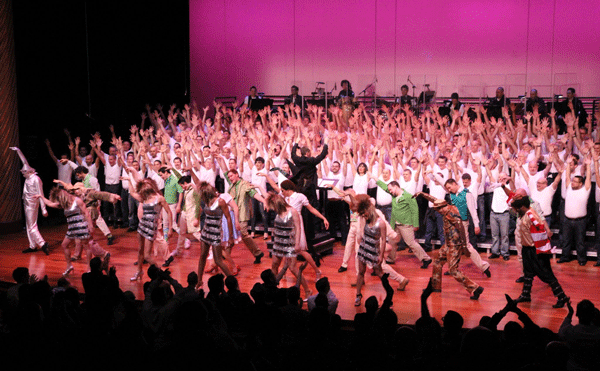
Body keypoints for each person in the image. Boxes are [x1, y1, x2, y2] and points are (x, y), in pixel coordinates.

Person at [414, 192, 484, 300]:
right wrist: (422, 194)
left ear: (442, 208)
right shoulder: (445, 207)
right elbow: (434, 199)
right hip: (448, 244)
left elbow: (461, 228)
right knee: (437, 262)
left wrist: (464, 246)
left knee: (453, 270)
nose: (437, 212)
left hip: (455, 245)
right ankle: (435, 286)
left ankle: (475, 288)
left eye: (438, 210)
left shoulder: (451, 214)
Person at [510, 195, 569, 308]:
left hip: (535, 250)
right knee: (527, 272)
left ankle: (562, 297)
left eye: (516, 208)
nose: (514, 211)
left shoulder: (531, 215)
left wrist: (543, 249)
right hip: (527, 248)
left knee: (546, 274)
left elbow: (540, 228)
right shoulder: (524, 213)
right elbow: (510, 204)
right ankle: (526, 294)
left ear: (521, 207)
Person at [37, 187, 105, 276]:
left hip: (81, 226)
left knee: (86, 246)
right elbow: (50, 204)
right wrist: (41, 196)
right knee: (64, 245)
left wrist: (90, 226)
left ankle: (89, 268)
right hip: (72, 228)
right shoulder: (64, 204)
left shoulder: (77, 201)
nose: (58, 201)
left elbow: (86, 213)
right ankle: (69, 266)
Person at [373, 177, 431, 268]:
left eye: (391, 189)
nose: (390, 191)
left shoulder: (408, 196)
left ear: (396, 187)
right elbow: (384, 187)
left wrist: (416, 225)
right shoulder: (393, 195)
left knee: (411, 243)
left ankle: (426, 258)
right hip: (395, 224)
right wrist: (374, 178)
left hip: (405, 224)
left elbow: (414, 211)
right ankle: (391, 259)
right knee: (392, 241)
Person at [264, 193, 311, 297]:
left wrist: (297, 244)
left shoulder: (293, 211)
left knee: (293, 268)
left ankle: (307, 290)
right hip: (278, 242)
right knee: (274, 265)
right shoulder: (278, 210)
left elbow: (298, 228)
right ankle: (274, 289)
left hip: (289, 242)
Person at [129, 178, 174, 281]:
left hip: (151, 227)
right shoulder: (145, 197)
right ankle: (139, 271)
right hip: (142, 225)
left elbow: (169, 212)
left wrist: (170, 228)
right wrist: (129, 180)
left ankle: (162, 275)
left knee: (147, 256)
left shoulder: (160, 198)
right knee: (140, 250)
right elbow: (132, 193)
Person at [10, 147, 49, 255]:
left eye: (24, 173)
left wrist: (44, 209)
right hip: (26, 203)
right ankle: (32, 245)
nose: (23, 175)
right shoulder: (28, 177)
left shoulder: (36, 179)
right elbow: (24, 161)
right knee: (29, 225)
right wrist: (18, 150)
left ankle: (42, 243)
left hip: (32, 204)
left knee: (32, 226)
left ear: (29, 172)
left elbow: (41, 194)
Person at [196, 182, 234, 288]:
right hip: (205, 231)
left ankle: (233, 283)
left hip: (216, 233)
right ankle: (199, 281)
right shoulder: (206, 201)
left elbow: (228, 218)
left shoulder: (220, 201)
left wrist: (230, 236)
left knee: (218, 260)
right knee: (202, 256)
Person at [224, 169, 266, 263]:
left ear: (237, 174)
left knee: (243, 234)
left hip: (242, 214)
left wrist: (263, 201)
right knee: (232, 234)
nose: (230, 178)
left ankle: (257, 252)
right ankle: (226, 254)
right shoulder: (231, 187)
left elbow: (254, 193)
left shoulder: (244, 184)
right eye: (229, 177)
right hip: (232, 214)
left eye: (231, 176)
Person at [354, 196, 388, 306]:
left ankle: (389, 294)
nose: (363, 216)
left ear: (369, 210)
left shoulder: (381, 223)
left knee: (379, 273)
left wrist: (381, 255)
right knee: (360, 272)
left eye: (364, 213)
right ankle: (358, 295)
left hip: (374, 250)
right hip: (363, 248)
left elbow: (383, 239)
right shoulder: (366, 219)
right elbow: (354, 204)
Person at [559, 156, 592, 265]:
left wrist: (588, 165)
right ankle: (565, 257)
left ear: (580, 184)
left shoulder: (585, 190)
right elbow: (567, 177)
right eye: (573, 181)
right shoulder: (569, 188)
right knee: (566, 240)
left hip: (580, 221)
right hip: (567, 219)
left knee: (580, 242)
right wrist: (568, 164)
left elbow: (588, 179)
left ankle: (582, 259)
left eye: (575, 182)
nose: (572, 182)